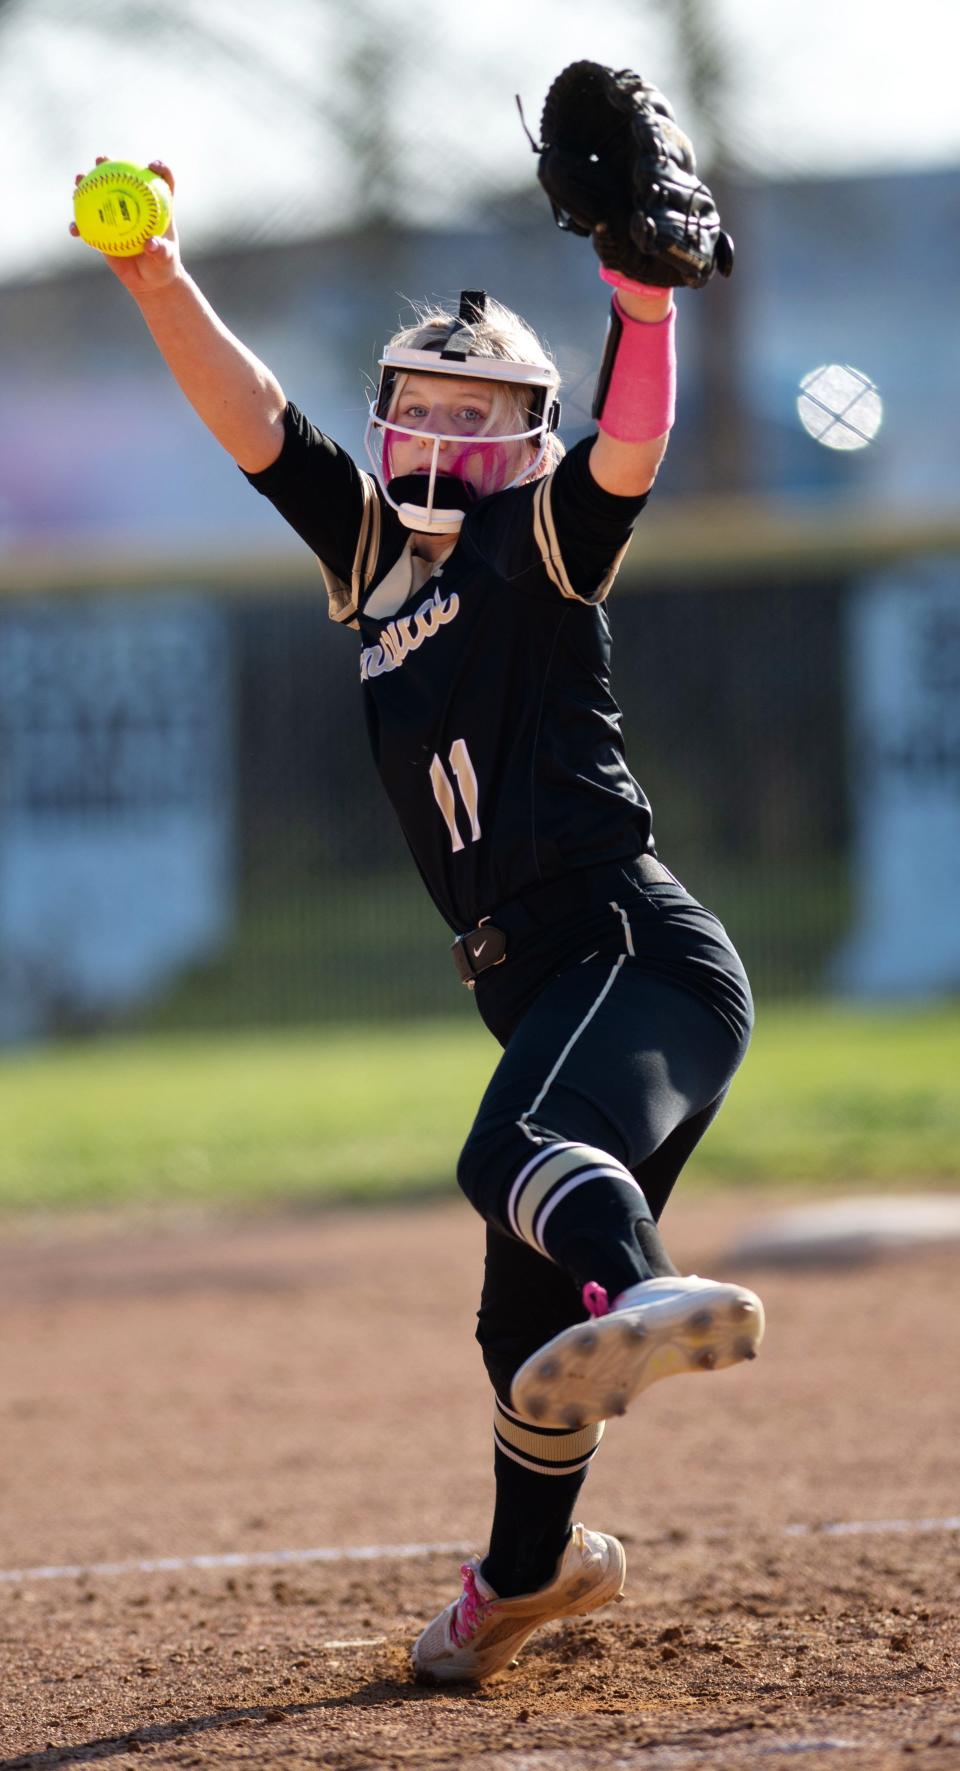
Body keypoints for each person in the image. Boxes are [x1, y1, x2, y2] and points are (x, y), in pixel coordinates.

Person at [71, 65, 764, 1684]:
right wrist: (155, 271)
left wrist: (642, 301)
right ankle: (528, 1580)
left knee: (516, 1149)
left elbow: (633, 447)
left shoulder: (542, 549)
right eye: (422, 406)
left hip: (631, 954)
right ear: (388, 427)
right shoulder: (372, 560)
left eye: (481, 413)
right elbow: (250, 420)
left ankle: (646, 1294)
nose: (447, 429)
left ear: (522, 443)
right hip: (539, 982)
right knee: (516, 1342)